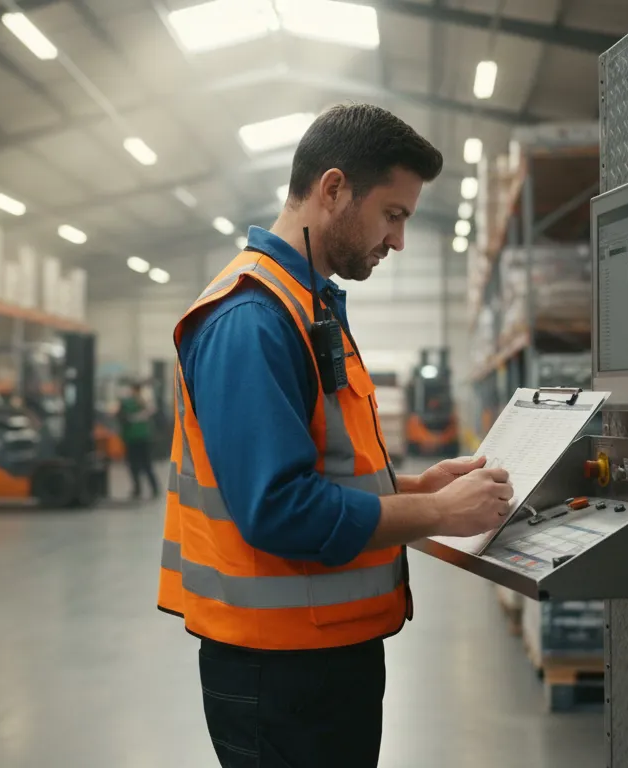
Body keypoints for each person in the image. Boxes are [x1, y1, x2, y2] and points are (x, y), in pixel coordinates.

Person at [157, 103, 515, 768]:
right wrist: (435, 514)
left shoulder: (308, 303)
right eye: (394, 214)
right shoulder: (250, 320)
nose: (399, 239)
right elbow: (277, 508)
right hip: (279, 675)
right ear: (332, 190)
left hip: (320, 657)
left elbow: (323, 468)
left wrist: (412, 486)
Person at [118, 381, 160, 500]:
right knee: (147, 464)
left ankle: (138, 489)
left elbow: (121, 417)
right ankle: (154, 488)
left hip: (132, 438)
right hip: (144, 437)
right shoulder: (145, 402)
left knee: (133, 465)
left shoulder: (127, 402)